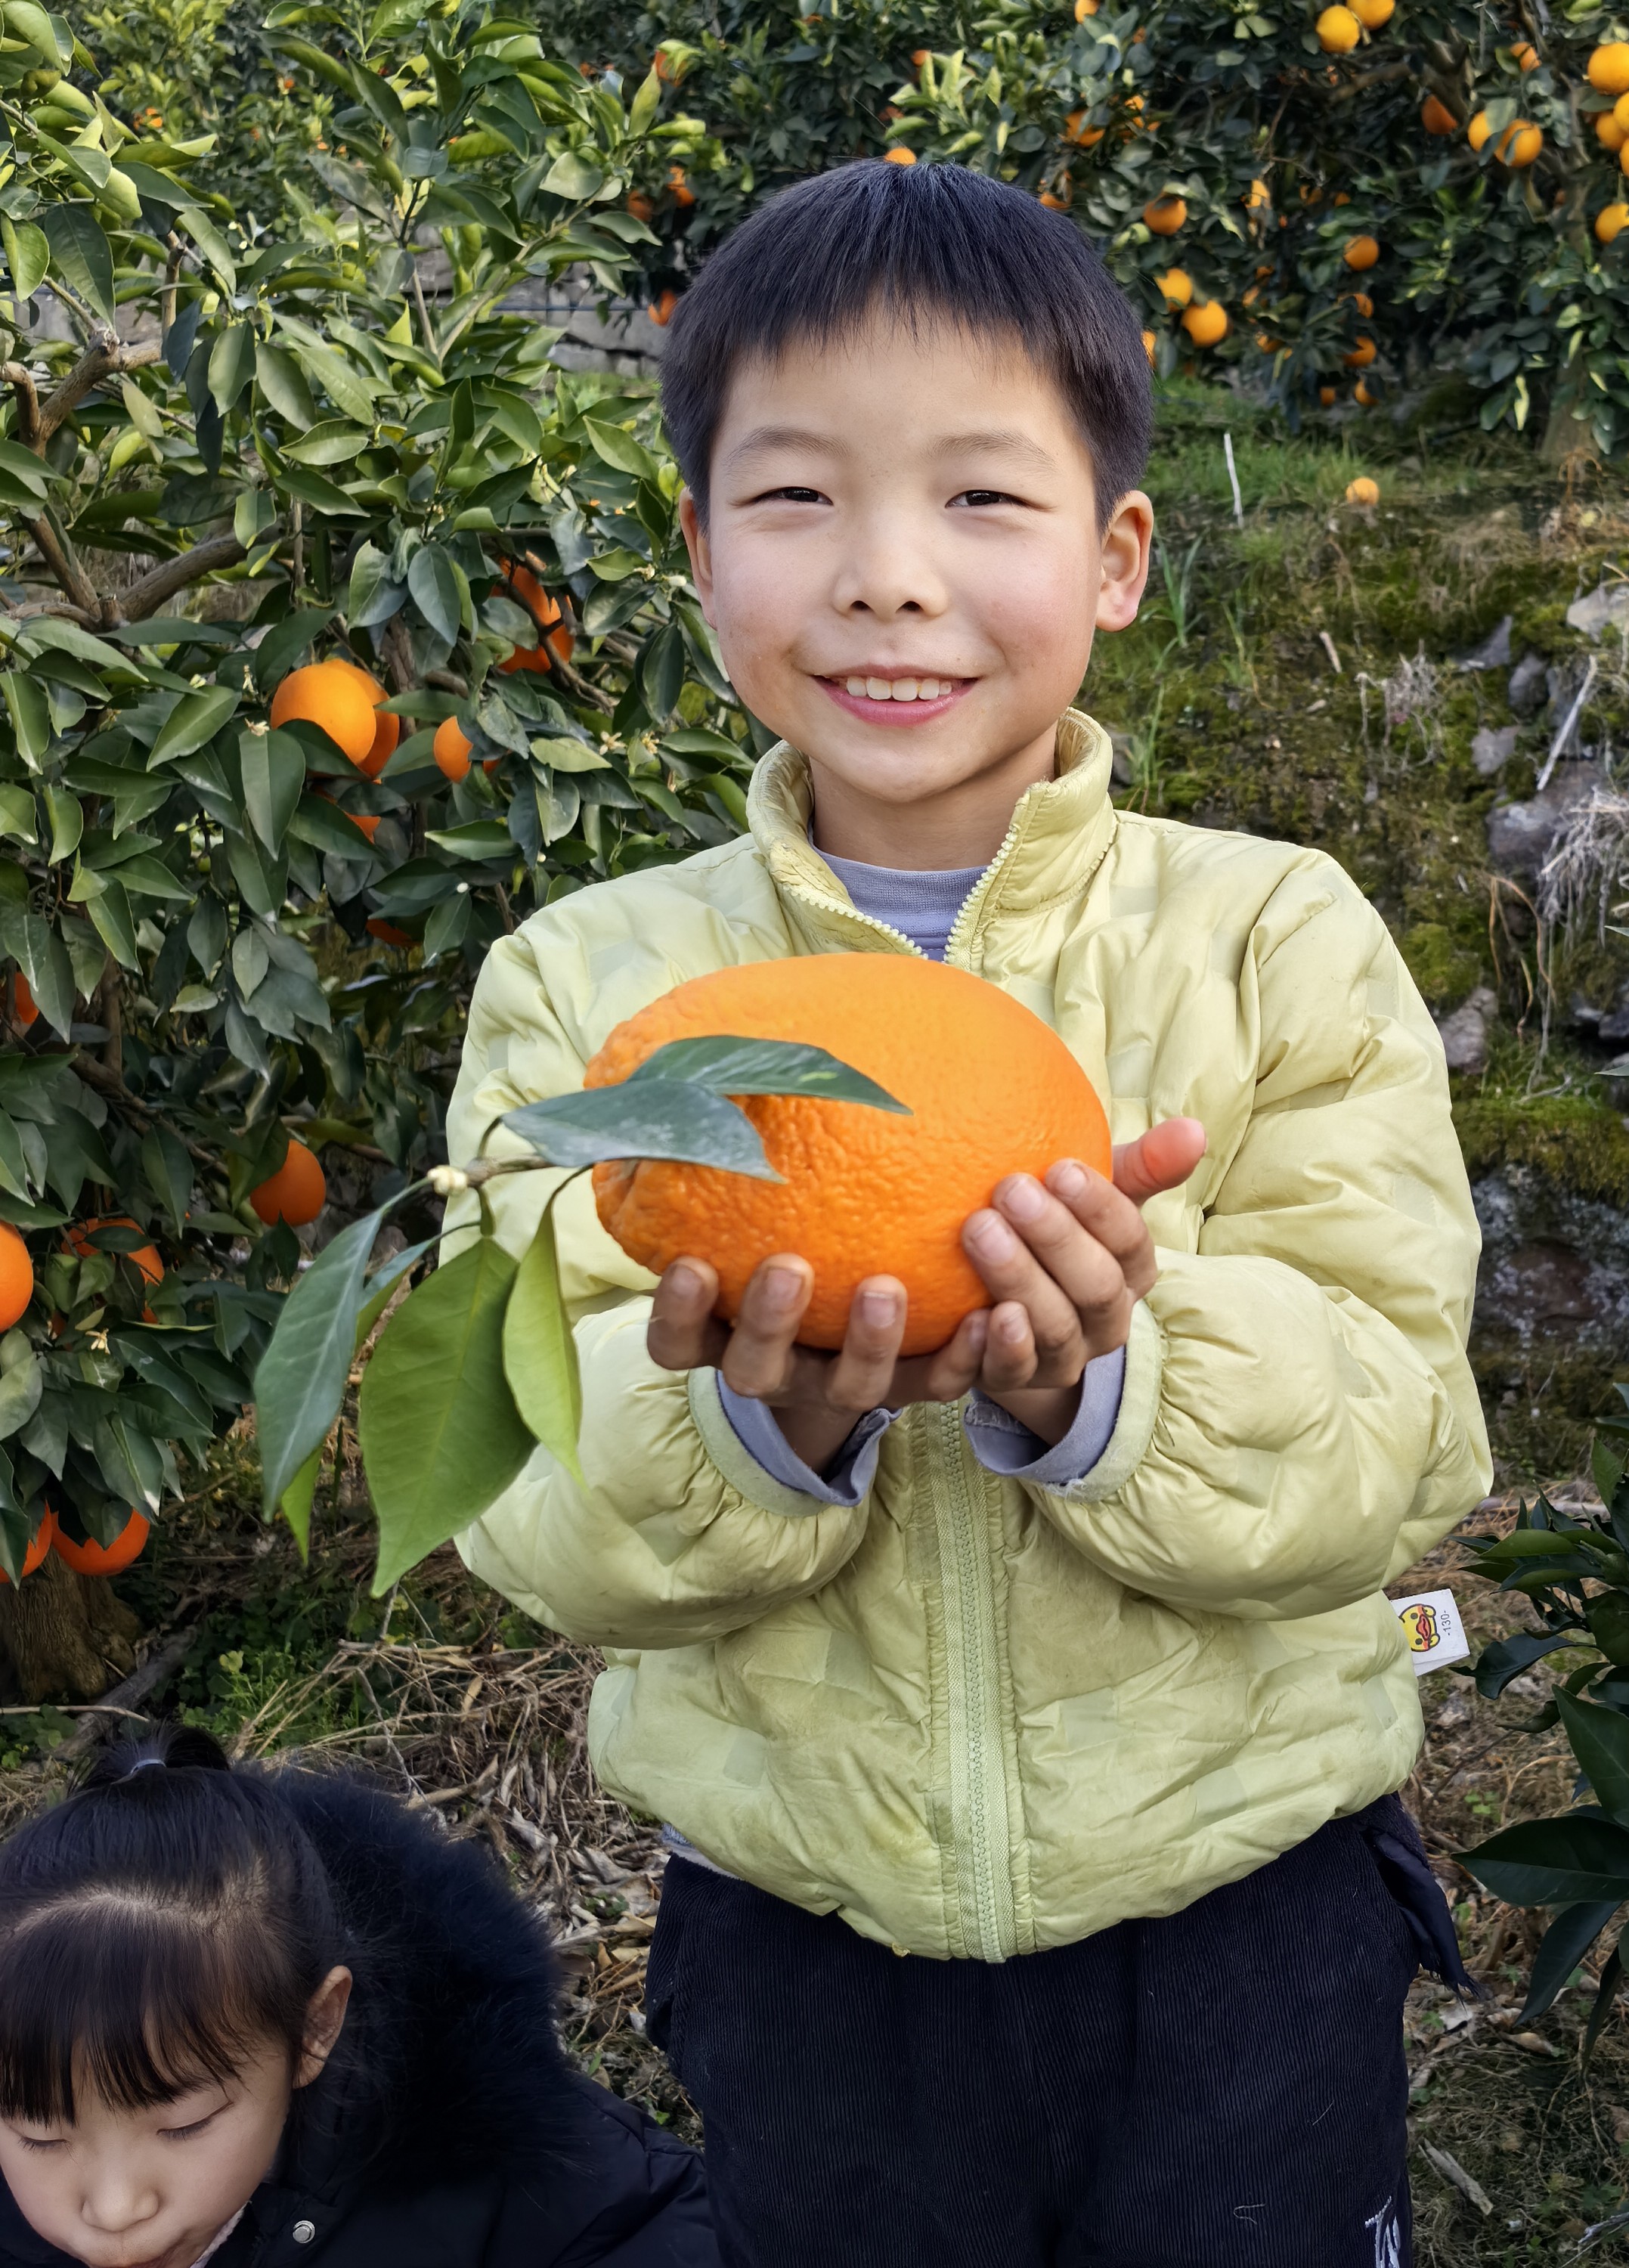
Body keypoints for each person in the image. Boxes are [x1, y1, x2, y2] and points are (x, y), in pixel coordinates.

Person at [449, 157, 1491, 2268]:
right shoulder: (593, 995)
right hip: (809, 1933)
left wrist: (1123, 1373)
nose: (888, 580)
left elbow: (1400, 1438)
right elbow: (525, 1488)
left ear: (1115, 559)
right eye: (801, 497)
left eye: (983, 503)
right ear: (698, 550)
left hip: (1244, 1917)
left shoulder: (1272, 936)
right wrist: (761, 1424)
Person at [0, 1726, 714, 2268]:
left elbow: (652, 2231)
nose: (115, 2209)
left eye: (184, 2124)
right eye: (40, 2135)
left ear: (315, 2028)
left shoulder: (499, 2166)